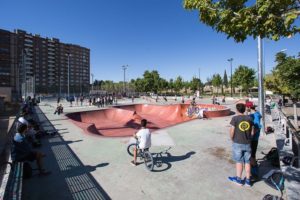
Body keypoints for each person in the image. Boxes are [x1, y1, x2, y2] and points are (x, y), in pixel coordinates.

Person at [228, 103, 254, 186]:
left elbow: (232, 131)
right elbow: (252, 133)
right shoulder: (250, 119)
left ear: (237, 110)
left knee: (239, 161)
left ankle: (238, 179)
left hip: (237, 143)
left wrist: (232, 139)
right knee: (247, 161)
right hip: (247, 143)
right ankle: (248, 180)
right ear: (244, 109)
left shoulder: (235, 119)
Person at [249, 105, 262, 177]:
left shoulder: (255, 115)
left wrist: (251, 135)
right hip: (254, 138)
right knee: (252, 154)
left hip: (253, 139)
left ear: (249, 108)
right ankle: (254, 168)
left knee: (252, 155)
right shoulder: (256, 114)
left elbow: (257, 126)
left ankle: (254, 171)